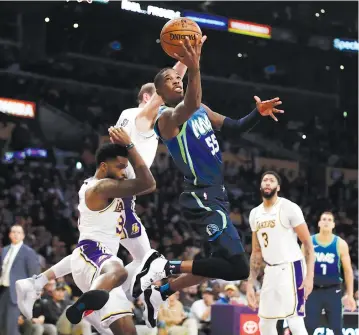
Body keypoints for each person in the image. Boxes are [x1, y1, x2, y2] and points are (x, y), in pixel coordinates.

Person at [16, 61, 187, 329]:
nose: (164, 109)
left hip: (116, 193)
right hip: (117, 191)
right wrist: (186, 61)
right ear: (147, 97)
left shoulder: (131, 119)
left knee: (98, 245)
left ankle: (39, 282)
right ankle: (138, 295)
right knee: (146, 260)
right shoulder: (140, 117)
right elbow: (164, 92)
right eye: (158, 102)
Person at [131, 35, 284, 318]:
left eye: (176, 77)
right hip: (200, 195)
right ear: (159, 93)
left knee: (216, 264)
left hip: (216, 194)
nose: (176, 80)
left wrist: (257, 113)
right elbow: (189, 103)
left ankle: (162, 290)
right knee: (237, 267)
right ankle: (164, 267)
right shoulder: (166, 118)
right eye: (169, 79)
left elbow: (235, 127)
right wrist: (194, 67)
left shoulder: (202, 110)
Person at [66, 129, 156, 335]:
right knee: (120, 271)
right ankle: (86, 303)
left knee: (127, 332)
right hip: (92, 254)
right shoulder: (101, 187)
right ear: (104, 166)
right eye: (120, 167)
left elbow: (148, 186)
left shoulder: (108, 186)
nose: (124, 172)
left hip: (98, 266)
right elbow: (149, 182)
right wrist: (131, 146)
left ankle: (92, 300)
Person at [246, 171, 315, 335]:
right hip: (271, 270)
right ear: (260, 186)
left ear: (278, 187)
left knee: (295, 322)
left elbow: (308, 245)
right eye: (264, 180)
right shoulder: (255, 213)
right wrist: (250, 282)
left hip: (292, 267)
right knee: (265, 323)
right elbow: (256, 252)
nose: (267, 182)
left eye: (271, 180)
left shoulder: (289, 208)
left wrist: (309, 277)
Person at [304, 211, 356, 335]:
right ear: (319, 223)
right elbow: (300, 267)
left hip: (333, 291)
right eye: (324, 219)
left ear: (333, 225)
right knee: (308, 328)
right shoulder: (309, 242)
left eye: (329, 220)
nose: (326, 222)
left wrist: (350, 294)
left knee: (337, 329)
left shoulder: (340, 244)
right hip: (313, 291)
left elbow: (348, 271)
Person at [0, 224, 40, 335]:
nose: (16, 234)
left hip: (17, 293)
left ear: (23, 236)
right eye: (13, 232)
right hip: (3, 290)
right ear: (9, 235)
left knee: (10, 327)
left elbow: (34, 275)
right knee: (2, 325)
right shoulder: (4, 250)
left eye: (19, 232)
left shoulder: (28, 252)